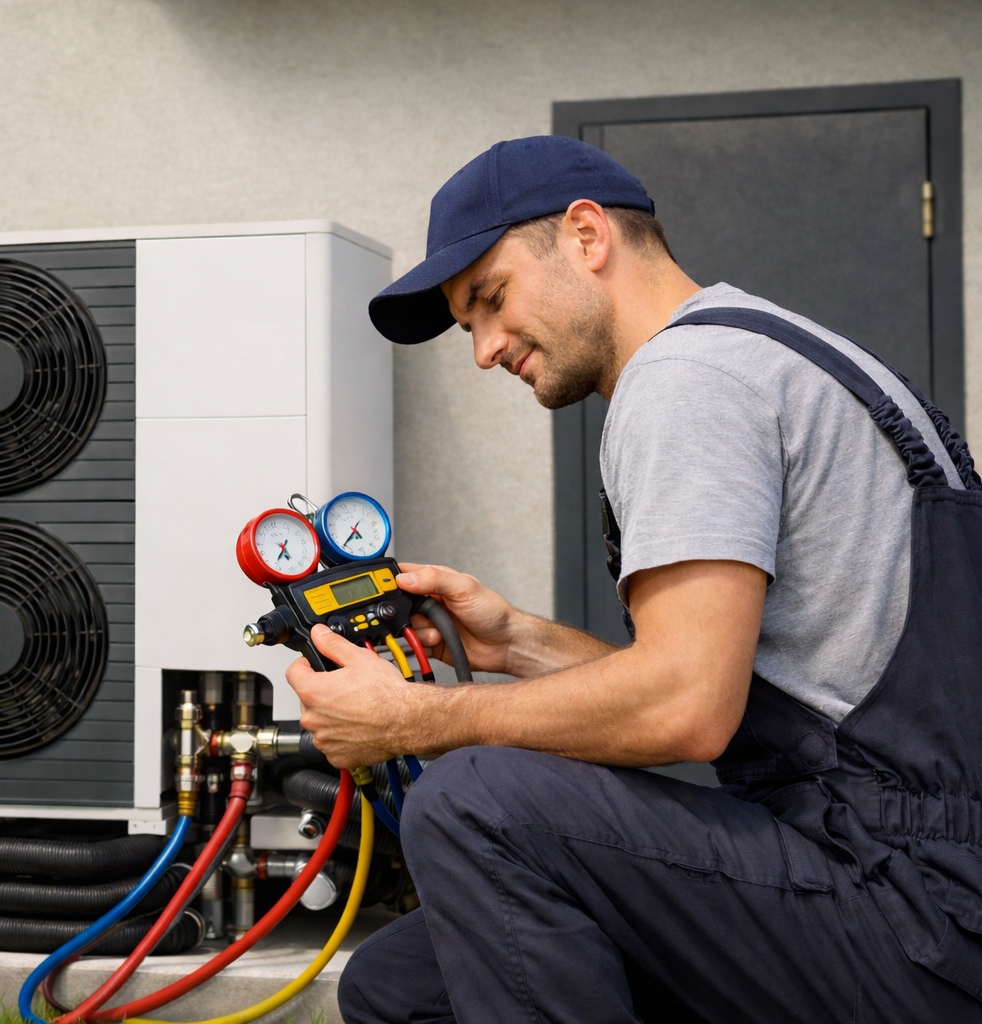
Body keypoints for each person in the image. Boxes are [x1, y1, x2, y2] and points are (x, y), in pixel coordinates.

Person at [291, 135, 982, 1023]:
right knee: (401, 986)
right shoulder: (774, 349)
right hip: (910, 871)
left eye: (492, 301)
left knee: (477, 804)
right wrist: (517, 642)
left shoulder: (684, 380)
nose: (486, 350)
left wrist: (414, 722)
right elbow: (717, 676)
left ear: (586, 235)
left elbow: (686, 708)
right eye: (469, 326)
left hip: (915, 904)